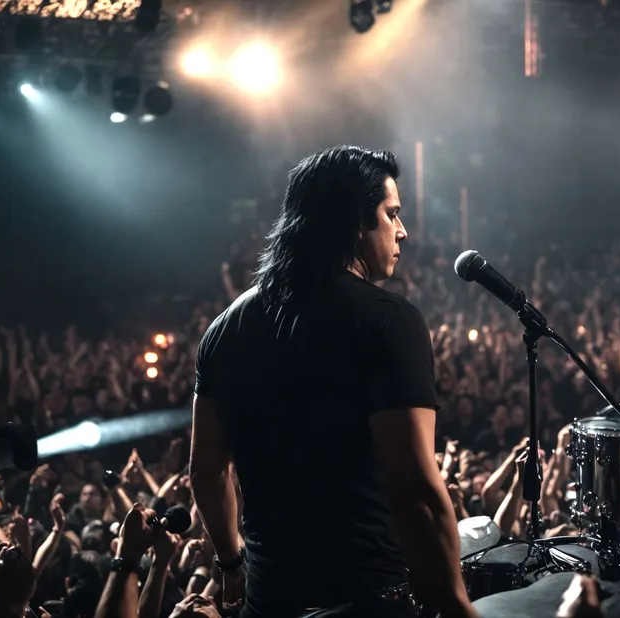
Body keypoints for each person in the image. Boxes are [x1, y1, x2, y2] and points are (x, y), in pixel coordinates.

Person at [189, 145, 477, 618]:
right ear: (353, 223)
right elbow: (416, 491)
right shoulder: (390, 320)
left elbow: (206, 469)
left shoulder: (223, 329)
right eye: (392, 214)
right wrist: (457, 606)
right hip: (367, 599)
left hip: (268, 602)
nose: (403, 232)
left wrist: (230, 562)